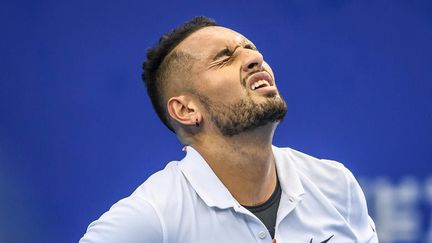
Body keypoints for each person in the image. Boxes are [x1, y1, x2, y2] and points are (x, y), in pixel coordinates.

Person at [79, 16, 378, 243]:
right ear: (186, 110)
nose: (253, 58)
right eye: (224, 58)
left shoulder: (336, 185)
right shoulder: (151, 217)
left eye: (250, 48)